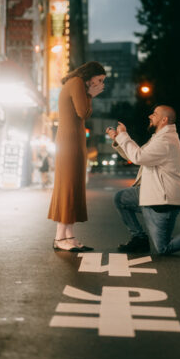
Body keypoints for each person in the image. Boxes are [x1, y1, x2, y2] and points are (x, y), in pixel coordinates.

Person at [106, 105, 180, 257]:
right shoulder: (159, 138)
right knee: (121, 198)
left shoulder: (165, 141)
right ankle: (139, 238)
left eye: (154, 114)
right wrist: (118, 140)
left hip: (162, 200)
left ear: (164, 119)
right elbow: (137, 156)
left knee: (163, 247)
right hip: (150, 193)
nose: (150, 116)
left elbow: (138, 157)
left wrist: (123, 136)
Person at [48, 61, 106, 252]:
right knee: (69, 186)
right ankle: (59, 238)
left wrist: (89, 94)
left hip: (73, 141)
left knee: (72, 186)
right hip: (70, 142)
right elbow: (84, 112)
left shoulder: (75, 83)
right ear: (91, 75)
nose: (100, 84)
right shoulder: (77, 83)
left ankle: (68, 236)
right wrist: (91, 95)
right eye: (99, 80)